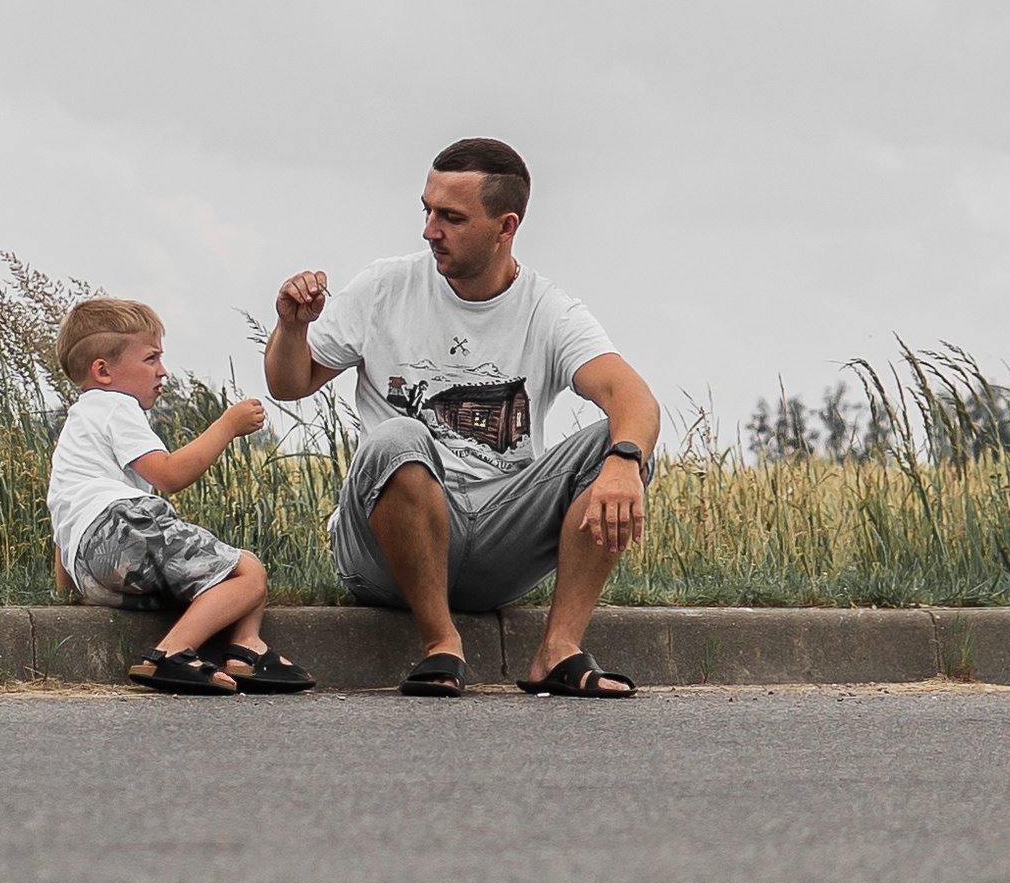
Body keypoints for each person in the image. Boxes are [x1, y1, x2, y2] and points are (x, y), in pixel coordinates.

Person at [262, 139, 661, 698]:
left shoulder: (548, 308)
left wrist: (623, 463)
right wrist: (293, 327)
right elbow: (288, 383)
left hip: (497, 536)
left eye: (450, 217)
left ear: (505, 227)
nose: (430, 230)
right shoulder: (384, 287)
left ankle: (558, 650)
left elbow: (633, 395)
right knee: (397, 437)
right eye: (426, 210)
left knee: (616, 441)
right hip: (385, 552)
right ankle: (441, 645)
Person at [47, 297, 316, 695]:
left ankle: (246, 651)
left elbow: (65, 517)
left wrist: (69, 590)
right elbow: (169, 476)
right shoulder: (116, 406)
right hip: (126, 528)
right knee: (249, 573)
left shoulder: (76, 424)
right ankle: (175, 651)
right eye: (151, 359)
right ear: (103, 371)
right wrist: (227, 425)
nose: (163, 371)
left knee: (238, 568)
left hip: (92, 569)